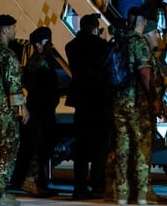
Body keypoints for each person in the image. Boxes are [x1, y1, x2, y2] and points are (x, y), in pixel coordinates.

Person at [113, 7, 167, 206]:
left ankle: (121, 191)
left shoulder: (120, 41)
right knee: (142, 145)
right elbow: (145, 73)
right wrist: (155, 99)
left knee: (122, 146)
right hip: (137, 103)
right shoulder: (138, 42)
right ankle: (144, 192)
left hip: (119, 102)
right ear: (142, 22)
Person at [0, 14, 29, 206]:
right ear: (4, 30)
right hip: (5, 109)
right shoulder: (7, 55)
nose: (15, 31)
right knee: (8, 148)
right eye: (13, 27)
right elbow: (13, 83)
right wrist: (22, 107)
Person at [65, 14, 112, 200]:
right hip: (99, 99)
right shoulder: (102, 46)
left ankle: (79, 187)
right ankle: (98, 184)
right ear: (95, 28)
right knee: (99, 146)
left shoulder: (71, 46)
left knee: (81, 146)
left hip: (81, 100)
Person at [16, 26, 61, 197]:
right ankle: (33, 182)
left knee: (43, 148)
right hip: (40, 112)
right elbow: (39, 88)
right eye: (47, 42)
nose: (50, 45)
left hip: (44, 110)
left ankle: (40, 182)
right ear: (38, 44)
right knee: (38, 148)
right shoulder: (37, 63)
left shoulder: (43, 60)